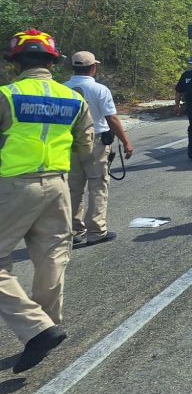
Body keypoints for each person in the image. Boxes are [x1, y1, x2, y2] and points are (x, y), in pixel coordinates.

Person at [0, 29, 93, 373]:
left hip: (12, 186)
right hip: (57, 186)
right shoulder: (72, 98)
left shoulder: (7, 96)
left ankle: (38, 329)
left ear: (16, 62)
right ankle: (47, 324)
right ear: (52, 63)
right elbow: (85, 145)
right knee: (52, 257)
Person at [64, 51, 134, 247]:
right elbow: (111, 118)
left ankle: (75, 231)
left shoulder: (62, 88)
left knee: (73, 188)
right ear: (93, 68)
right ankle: (96, 231)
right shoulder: (100, 89)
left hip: (70, 142)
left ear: (73, 67)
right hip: (96, 142)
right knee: (97, 186)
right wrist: (126, 142)